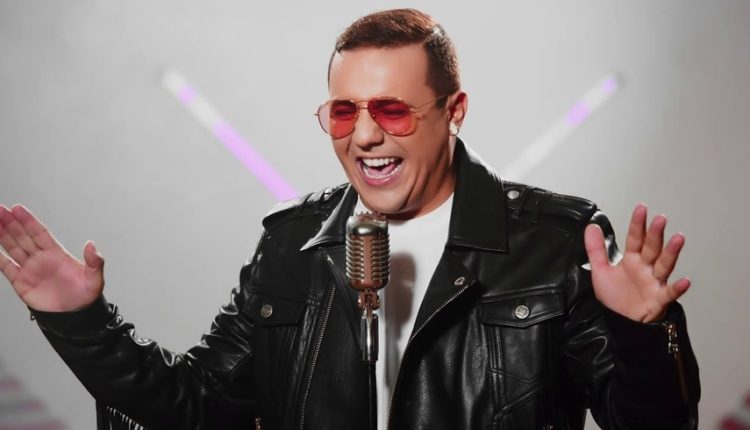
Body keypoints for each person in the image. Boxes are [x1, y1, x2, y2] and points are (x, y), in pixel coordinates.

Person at [0, 8, 699, 430]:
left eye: (392, 109)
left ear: (454, 111)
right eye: (343, 112)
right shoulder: (292, 247)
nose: (364, 136)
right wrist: (81, 322)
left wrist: (643, 335)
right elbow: (196, 408)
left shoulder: (554, 244)